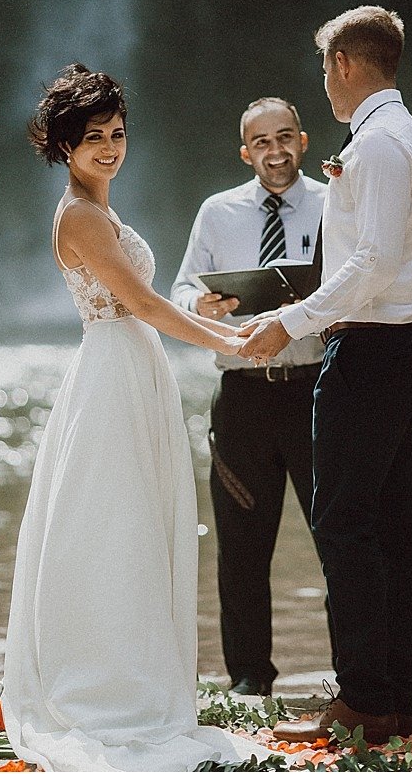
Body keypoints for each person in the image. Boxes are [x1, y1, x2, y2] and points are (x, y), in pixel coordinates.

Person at [1, 66, 249, 772]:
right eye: (93, 138)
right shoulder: (79, 214)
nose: (110, 147)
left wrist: (206, 322)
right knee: (115, 528)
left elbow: (148, 305)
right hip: (111, 374)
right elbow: (139, 303)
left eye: (117, 133)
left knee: (134, 524)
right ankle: (108, 689)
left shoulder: (98, 208)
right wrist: (229, 343)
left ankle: (136, 674)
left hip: (129, 371)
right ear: (64, 146)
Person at [237, 7, 412, 746]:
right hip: (399, 347)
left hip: (371, 352)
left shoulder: (382, 144)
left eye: (326, 68)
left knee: (345, 523)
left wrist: (288, 322)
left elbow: (373, 263)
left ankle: (364, 698)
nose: (323, 82)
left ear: (349, 65)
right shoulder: (396, 135)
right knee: (394, 523)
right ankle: (396, 699)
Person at [171, 96, 330, 698]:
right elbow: (184, 285)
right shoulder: (218, 212)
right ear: (246, 152)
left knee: (336, 539)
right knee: (240, 547)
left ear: (304, 141)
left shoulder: (332, 202)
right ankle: (248, 681)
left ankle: (356, 681)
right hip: (241, 396)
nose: (275, 151)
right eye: (262, 142)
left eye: (285, 137)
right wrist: (198, 306)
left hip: (318, 388)